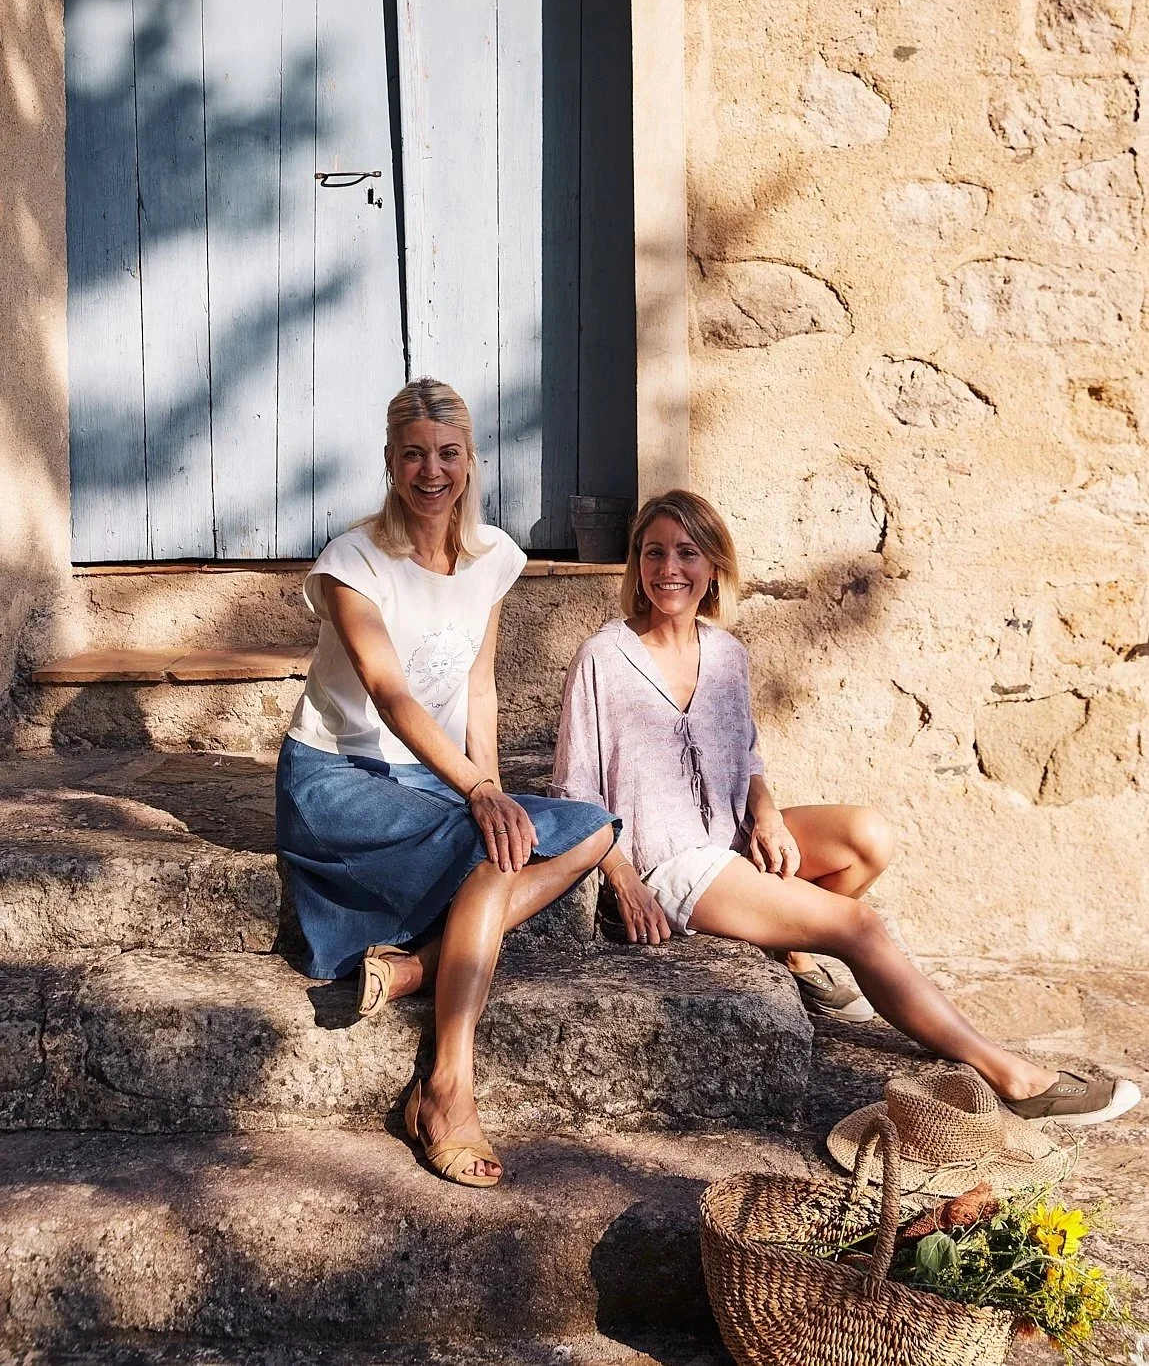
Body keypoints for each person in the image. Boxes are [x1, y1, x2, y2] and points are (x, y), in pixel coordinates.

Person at [550, 489, 1141, 1128]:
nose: (670, 568)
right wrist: (625, 881)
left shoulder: (726, 654)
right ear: (636, 565)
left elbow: (746, 754)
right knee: (860, 929)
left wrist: (768, 813)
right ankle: (1012, 1077)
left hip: (731, 836)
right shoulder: (603, 661)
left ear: (714, 566)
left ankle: (793, 959)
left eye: (688, 553)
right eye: (653, 552)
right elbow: (574, 794)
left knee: (868, 837)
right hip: (670, 866)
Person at [276, 379, 618, 1188]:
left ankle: (414, 968)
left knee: (597, 827)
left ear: (471, 460)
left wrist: (491, 784)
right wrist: (478, 794)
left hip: (436, 781)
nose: (433, 471)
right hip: (335, 779)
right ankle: (447, 1087)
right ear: (391, 464)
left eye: (449, 453)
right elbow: (391, 695)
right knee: (496, 849)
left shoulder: (495, 557)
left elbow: (479, 688)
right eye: (414, 455)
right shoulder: (352, 562)